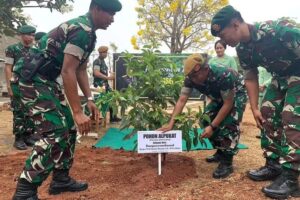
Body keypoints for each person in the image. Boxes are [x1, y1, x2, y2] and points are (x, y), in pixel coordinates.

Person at [12, 0, 122, 199]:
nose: (112, 19)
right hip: (31, 79)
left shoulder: (89, 35)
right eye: (110, 14)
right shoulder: (81, 30)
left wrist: (89, 99)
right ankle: (25, 190)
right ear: (96, 9)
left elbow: (80, 69)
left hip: (45, 80)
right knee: (55, 130)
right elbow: (67, 70)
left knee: (69, 127)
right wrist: (78, 112)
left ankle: (60, 179)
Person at [211, 5, 300, 199]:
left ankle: (291, 178)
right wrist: (254, 107)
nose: (223, 41)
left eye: (224, 36)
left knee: (291, 117)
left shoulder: (278, 30)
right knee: (266, 114)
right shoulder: (243, 49)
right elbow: (250, 77)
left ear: (235, 24)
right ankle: (273, 164)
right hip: (280, 77)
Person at [158, 53, 247, 179]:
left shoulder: (224, 74)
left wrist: (213, 126)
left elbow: (227, 104)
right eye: (190, 76)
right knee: (205, 120)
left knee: (229, 122)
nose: (193, 80)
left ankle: (227, 162)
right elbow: (182, 99)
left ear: (205, 69)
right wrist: (171, 123)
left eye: (195, 76)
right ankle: (221, 151)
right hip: (219, 96)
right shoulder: (190, 78)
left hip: (236, 94)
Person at [4, 25, 38, 150]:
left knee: (30, 111)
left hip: (32, 86)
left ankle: (28, 136)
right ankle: (18, 138)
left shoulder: (35, 50)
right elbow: (8, 67)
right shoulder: (12, 49)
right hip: (17, 85)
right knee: (19, 111)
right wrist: (9, 86)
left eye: (33, 35)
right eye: (30, 35)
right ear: (23, 35)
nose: (32, 37)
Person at [93, 45, 121, 122]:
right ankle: (101, 118)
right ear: (100, 53)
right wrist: (108, 78)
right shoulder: (97, 61)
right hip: (99, 85)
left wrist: (110, 75)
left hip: (105, 84)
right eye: (104, 52)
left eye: (106, 52)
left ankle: (113, 117)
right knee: (104, 101)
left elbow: (103, 73)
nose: (106, 54)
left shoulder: (103, 62)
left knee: (113, 98)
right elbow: (96, 73)